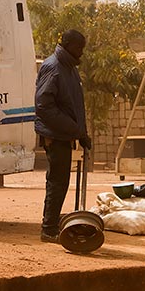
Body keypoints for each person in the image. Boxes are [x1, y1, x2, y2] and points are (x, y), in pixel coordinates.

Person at [34, 29, 91, 243]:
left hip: (64, 134)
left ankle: (51, 224)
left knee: (61, 181)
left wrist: (81, 133)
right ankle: (48, 229)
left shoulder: (68, 67)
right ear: (68, 45)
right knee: (57, 182)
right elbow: (44, 106)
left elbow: (71, 104)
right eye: (78, 48)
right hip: (55, 135)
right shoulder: (54, 67)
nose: (81, 53)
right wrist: (76, 131)